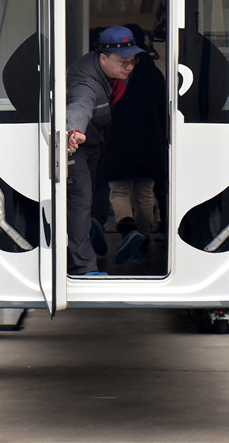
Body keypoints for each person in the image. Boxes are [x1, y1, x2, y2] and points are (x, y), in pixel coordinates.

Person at [66, 25, 144, 277]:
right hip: (77, 145)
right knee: (80, 201)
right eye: (123, 62)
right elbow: (80, 105)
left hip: (96, 143)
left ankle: (89, 233)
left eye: (133, 61)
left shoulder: (114, 71)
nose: (129, 67)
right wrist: (73, 132)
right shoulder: (85, 80)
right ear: (103, 58)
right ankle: (84, 266)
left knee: (94, 194)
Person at [100, 24, 167, 266]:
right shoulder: (154, 73)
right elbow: (163, 109)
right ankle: (144, 240)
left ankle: (128, 232)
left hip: (118, 137)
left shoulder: (112, 70)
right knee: (145, 194)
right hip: (150, 139)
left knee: (119, 191)